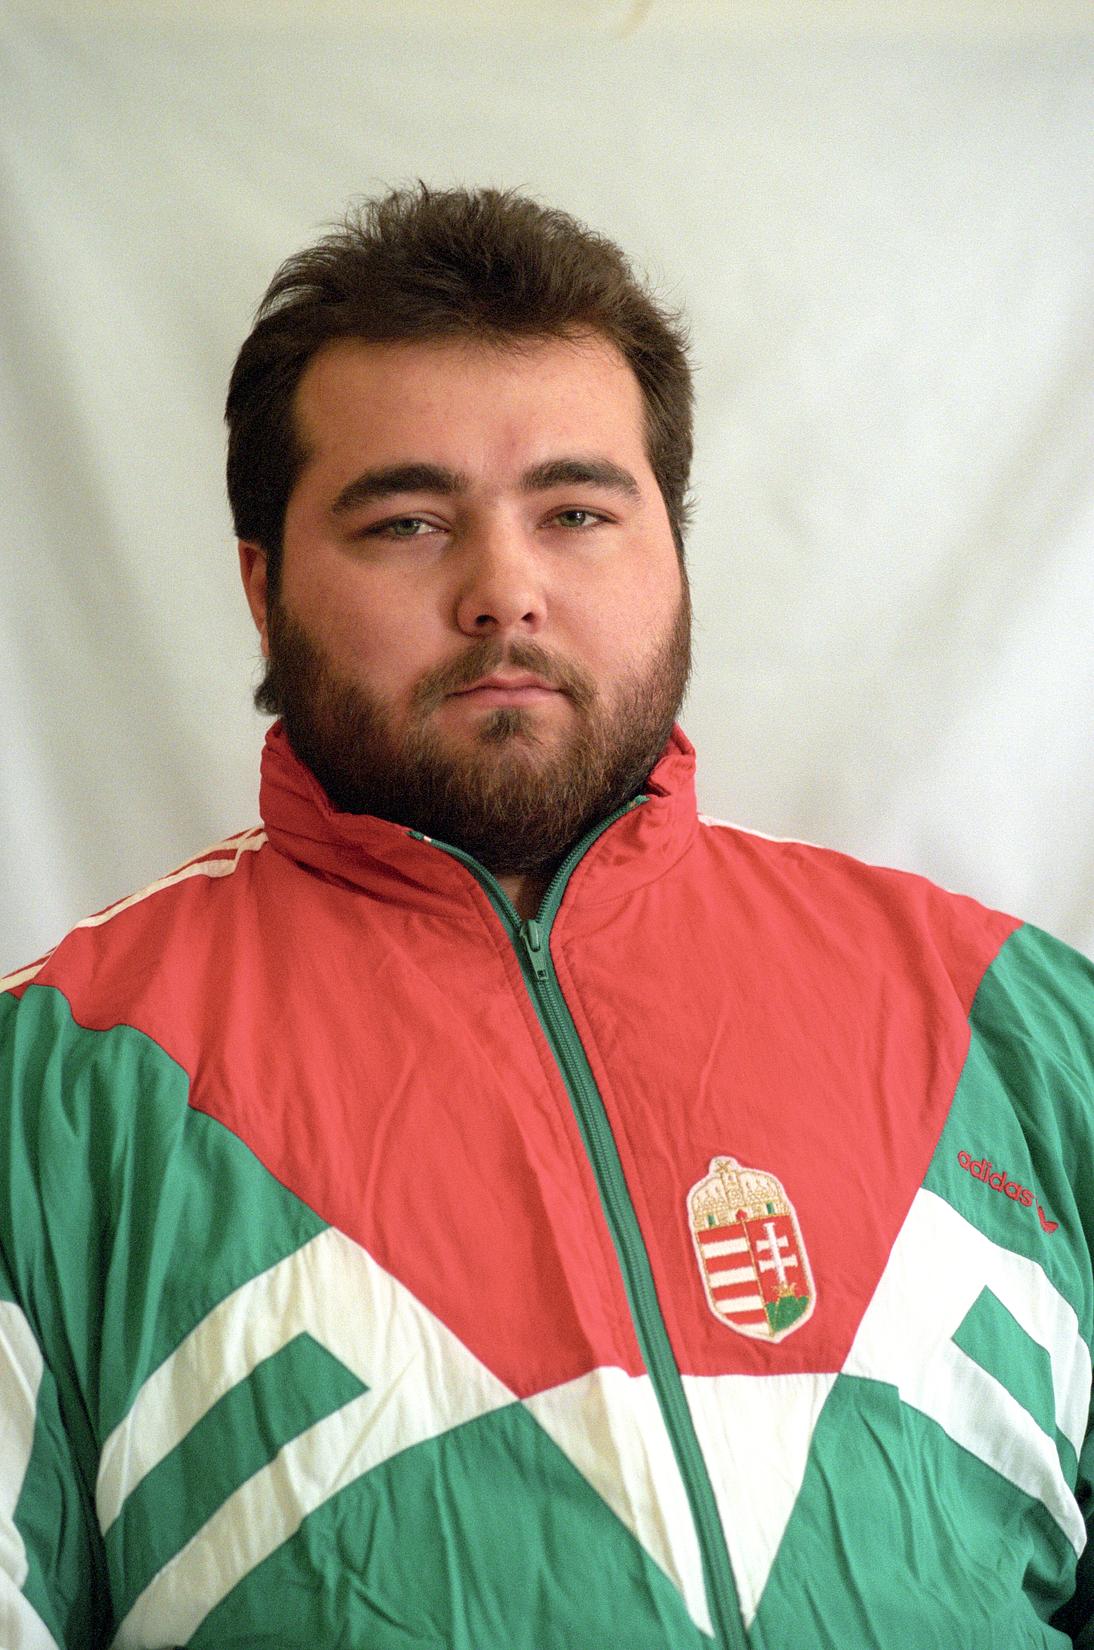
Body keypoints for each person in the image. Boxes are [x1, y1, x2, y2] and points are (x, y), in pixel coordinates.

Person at [1, 182, 1092, 1650]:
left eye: (576, 513)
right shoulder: (52, 1087)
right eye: (405, 522)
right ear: (263, 590)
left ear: (674, 555)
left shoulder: (1011, 1018)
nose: (502, 591)